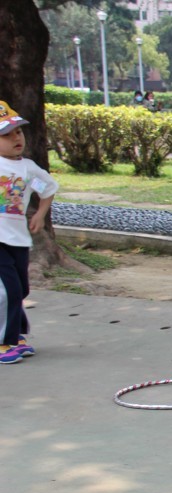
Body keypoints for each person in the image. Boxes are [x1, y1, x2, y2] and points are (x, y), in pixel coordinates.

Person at [0, 101, 58, 365]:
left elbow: (47, 189)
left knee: (20, 288)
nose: (16, 138)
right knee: (8, 290)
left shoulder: (27, 170)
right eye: (6, 134)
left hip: (18, 239)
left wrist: (40, 214)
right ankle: (4, 342)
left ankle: (17, 334)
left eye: (18, 132)